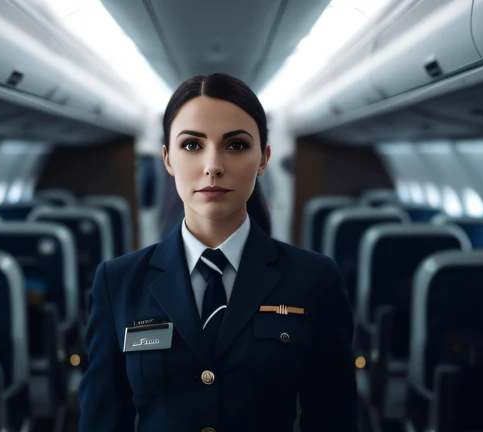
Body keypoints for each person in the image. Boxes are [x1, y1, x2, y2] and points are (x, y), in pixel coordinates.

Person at [78, 73, 357, 431]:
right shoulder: (117, 283)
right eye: (192, 145)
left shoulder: (314, 279)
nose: (213, 166)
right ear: (167, 159)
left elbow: (334, 418)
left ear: (263, 158)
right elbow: (102, 421)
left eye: (236, 145)